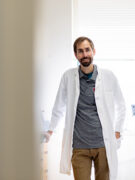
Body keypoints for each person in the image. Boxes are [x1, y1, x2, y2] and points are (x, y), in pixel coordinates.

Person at [45, 36, 126, 180]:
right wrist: (50, 130)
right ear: (76, 55)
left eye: (87, 50)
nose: (84, 54)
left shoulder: (108, 76)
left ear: (94, 51)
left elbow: (121, 105)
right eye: (80, 51)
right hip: (79, 146)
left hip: (103, 145)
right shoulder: (68, 77)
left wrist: (118, 130)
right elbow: (59, 106)